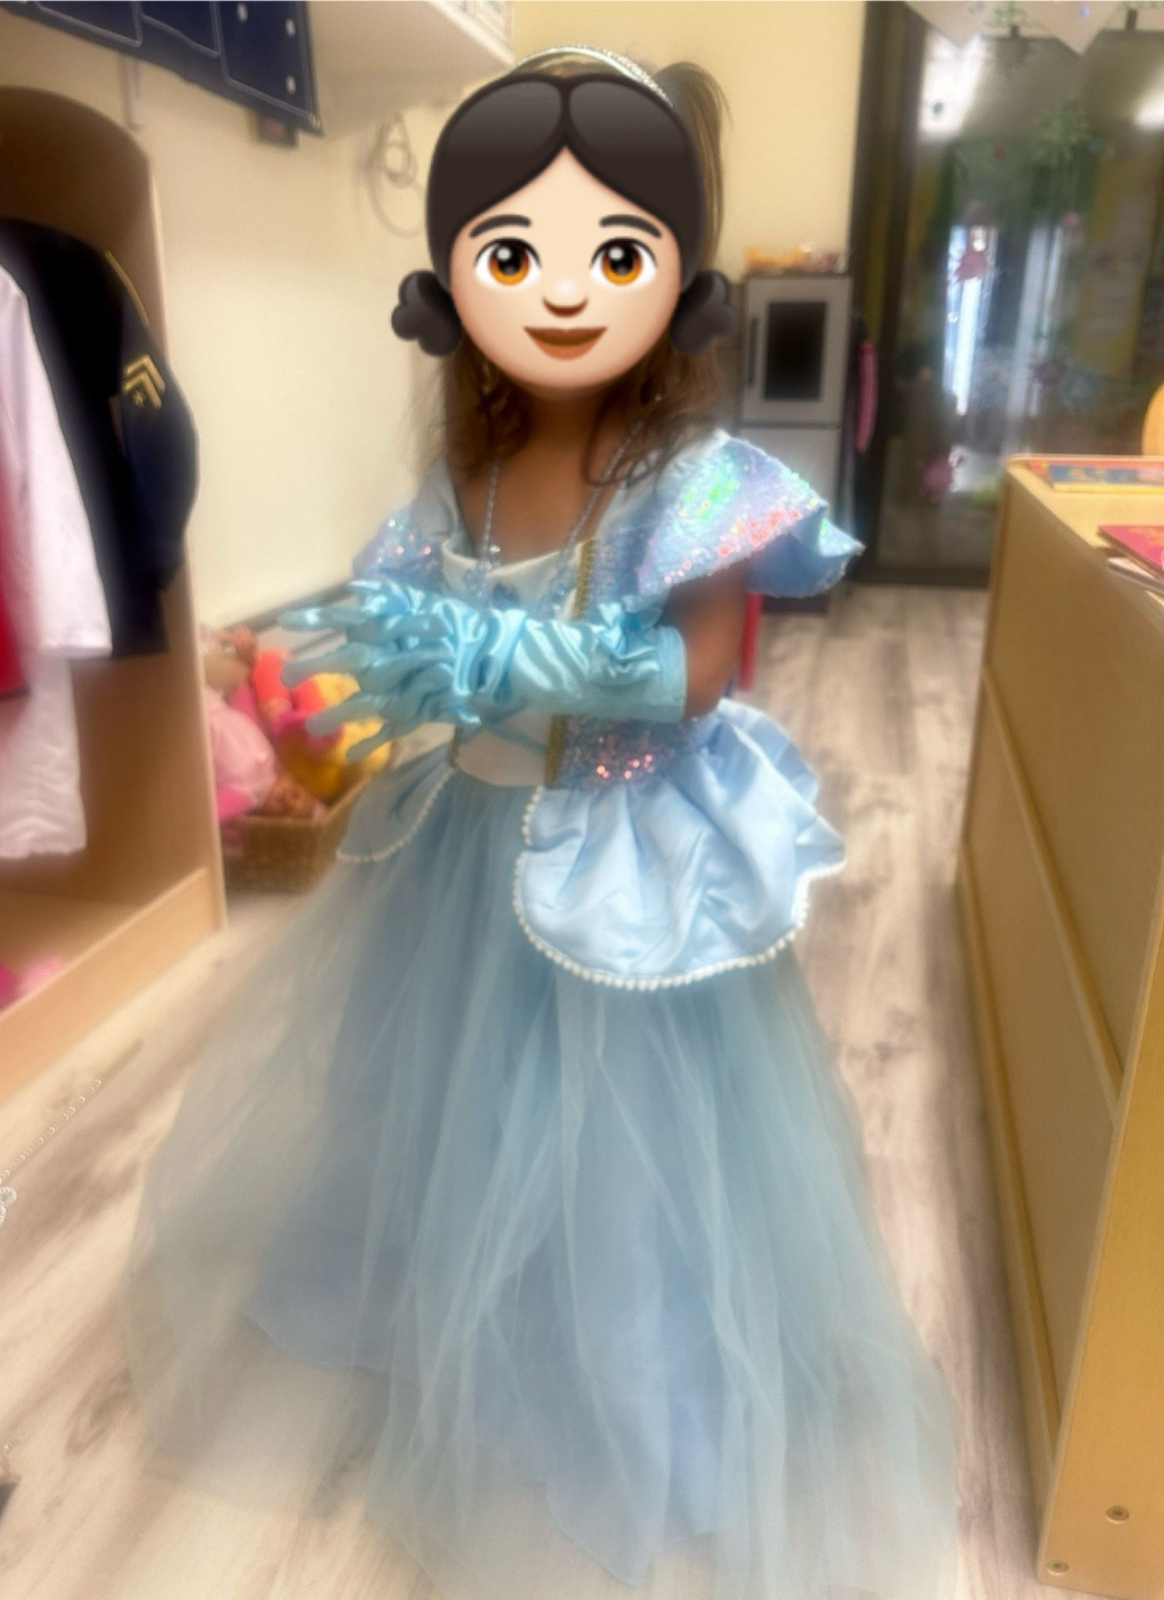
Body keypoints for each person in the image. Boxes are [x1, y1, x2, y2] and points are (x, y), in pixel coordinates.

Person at [119, 48, 960, 1600]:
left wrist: (521, 661)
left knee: (620, 1162)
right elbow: (392, 621)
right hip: (464, 850)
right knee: (445, 1111)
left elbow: (699, 675)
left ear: (671, 276)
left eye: (611, 255)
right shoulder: (469, 467)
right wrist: (341, 671)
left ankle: (624, 1394)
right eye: (515, 255)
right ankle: (445, 1328)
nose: (563, 294)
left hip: (618, 854)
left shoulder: (688, 478)